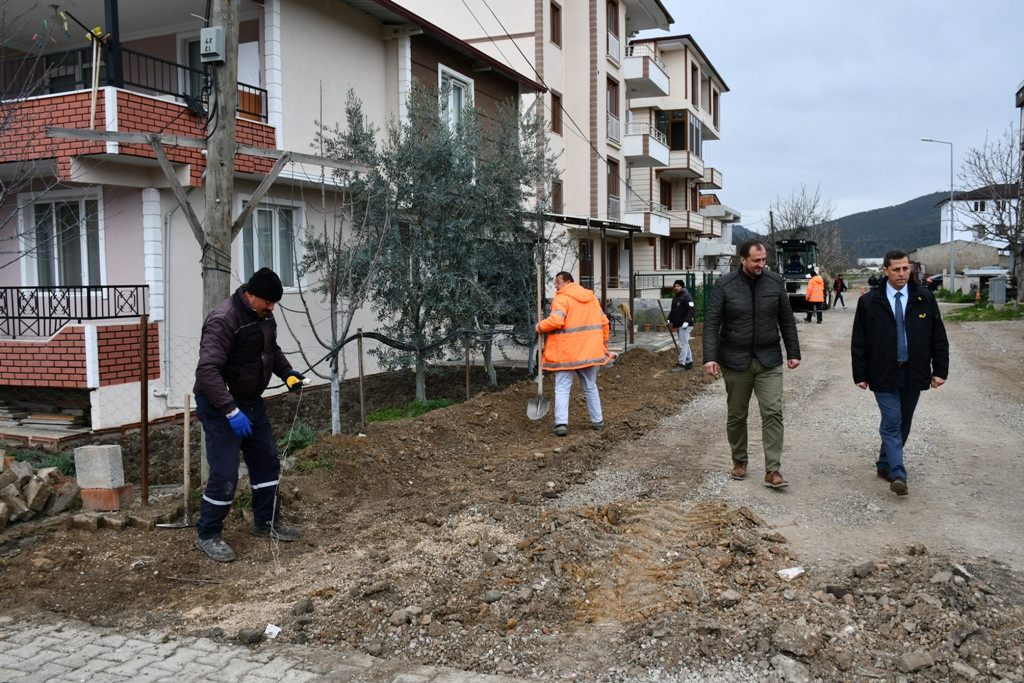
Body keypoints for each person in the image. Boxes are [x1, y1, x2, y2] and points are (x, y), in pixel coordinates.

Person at [193, 268, 306, 562]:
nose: (271, 308)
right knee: (225, 472)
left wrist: (287, 372)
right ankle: (208, 534)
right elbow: (207, 371)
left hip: (252, 402)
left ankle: (266, 522)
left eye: (273, 304)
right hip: (220, 407)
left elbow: (270, 349)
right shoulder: (223, 320)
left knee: (267, 460)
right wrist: (230, 411)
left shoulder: (263, 316)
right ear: (250, 294)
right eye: (267, 302)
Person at [703, 239, 801, 488]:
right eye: (756, 260)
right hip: (735, 361)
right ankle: (739, 461)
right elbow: (712, 323)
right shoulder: (724, 286)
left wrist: (793, 351)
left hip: (769, 359)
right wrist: (709, 357)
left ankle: (773, 470)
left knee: (773, 412)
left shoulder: (775, 282)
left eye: (764, 260)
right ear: (743, 260)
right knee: (737, 415)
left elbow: (786, 320)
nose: (761, 264)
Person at [851, 249, 948, 497]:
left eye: (906, 268)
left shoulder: (924, 298)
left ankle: (884, 464)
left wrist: (940, 370)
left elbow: (938, 337)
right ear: (885, 270)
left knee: (904, 423)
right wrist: (859, 374)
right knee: (892, 421)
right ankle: (898, 473)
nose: (902, 273)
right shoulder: (869, 302)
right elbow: (859, 341)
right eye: (896, 269)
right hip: (883, 372)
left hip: (913, 371)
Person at [536, 271, 614, 437]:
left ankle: (561, 424)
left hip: (567, 353)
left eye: (558, 282)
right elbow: (604, 323)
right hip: (588, 353)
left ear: (567, 282)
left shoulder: (562, 298)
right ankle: (598, 421)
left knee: (562, 388)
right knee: (590, 387)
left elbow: (556, 321)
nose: (556, 286)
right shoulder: (591, 298)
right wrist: (603, 345)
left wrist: (539, 327)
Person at [667, 279, 696, 371]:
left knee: (683, 344)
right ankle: (689, 362)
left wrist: (687, 321)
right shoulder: (676, 298)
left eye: (678, 286)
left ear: (682, 287)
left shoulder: (686, 296)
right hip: (679, 324)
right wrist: (668, 319)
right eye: (675, 286)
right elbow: (673, 311)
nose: (676, 288)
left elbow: (691, 309)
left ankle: (681, 364)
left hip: (685, 325)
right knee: (685, 344)